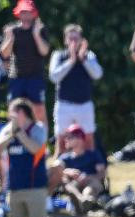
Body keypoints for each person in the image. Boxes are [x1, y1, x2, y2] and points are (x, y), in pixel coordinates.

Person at [49, 24, 103, 156]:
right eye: (70, 38)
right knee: (61, 140)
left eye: (76, 38)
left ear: (81, 40)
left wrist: (83, 59)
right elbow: (54, 76)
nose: (73, 41)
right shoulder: (58, 55)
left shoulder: (88, 56)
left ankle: (91, 168)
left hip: (84, 105)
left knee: (89, 140)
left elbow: (98, 74)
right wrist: (71, 61)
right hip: (64, 105)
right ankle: (59, 171)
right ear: (65, 40)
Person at [0, 0, 49, 126]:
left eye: (28, 12)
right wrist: (10, 38)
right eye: (23, 12)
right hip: (17, 77)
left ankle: (42, 144)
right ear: (18, 14)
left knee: (39, 111)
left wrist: (36, 35)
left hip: (35, 77)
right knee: (13, 110)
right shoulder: (12, 30)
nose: (26, 16)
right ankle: (13, 140)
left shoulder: (40, 29)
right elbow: (4, 53)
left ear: (33, 14)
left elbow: (44, 51)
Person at [53, 124, 106, 214]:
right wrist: (69, 172)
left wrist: (88, 177)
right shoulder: (65, 157)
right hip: (74, 184)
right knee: (66, 181)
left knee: (91, 186)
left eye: (69, 137)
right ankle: (83, 200)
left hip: (91, 182)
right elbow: (54, 169)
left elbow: (102, 173)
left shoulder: (93, 154)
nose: (66, 140)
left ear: (80, 139)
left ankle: (84, 200)